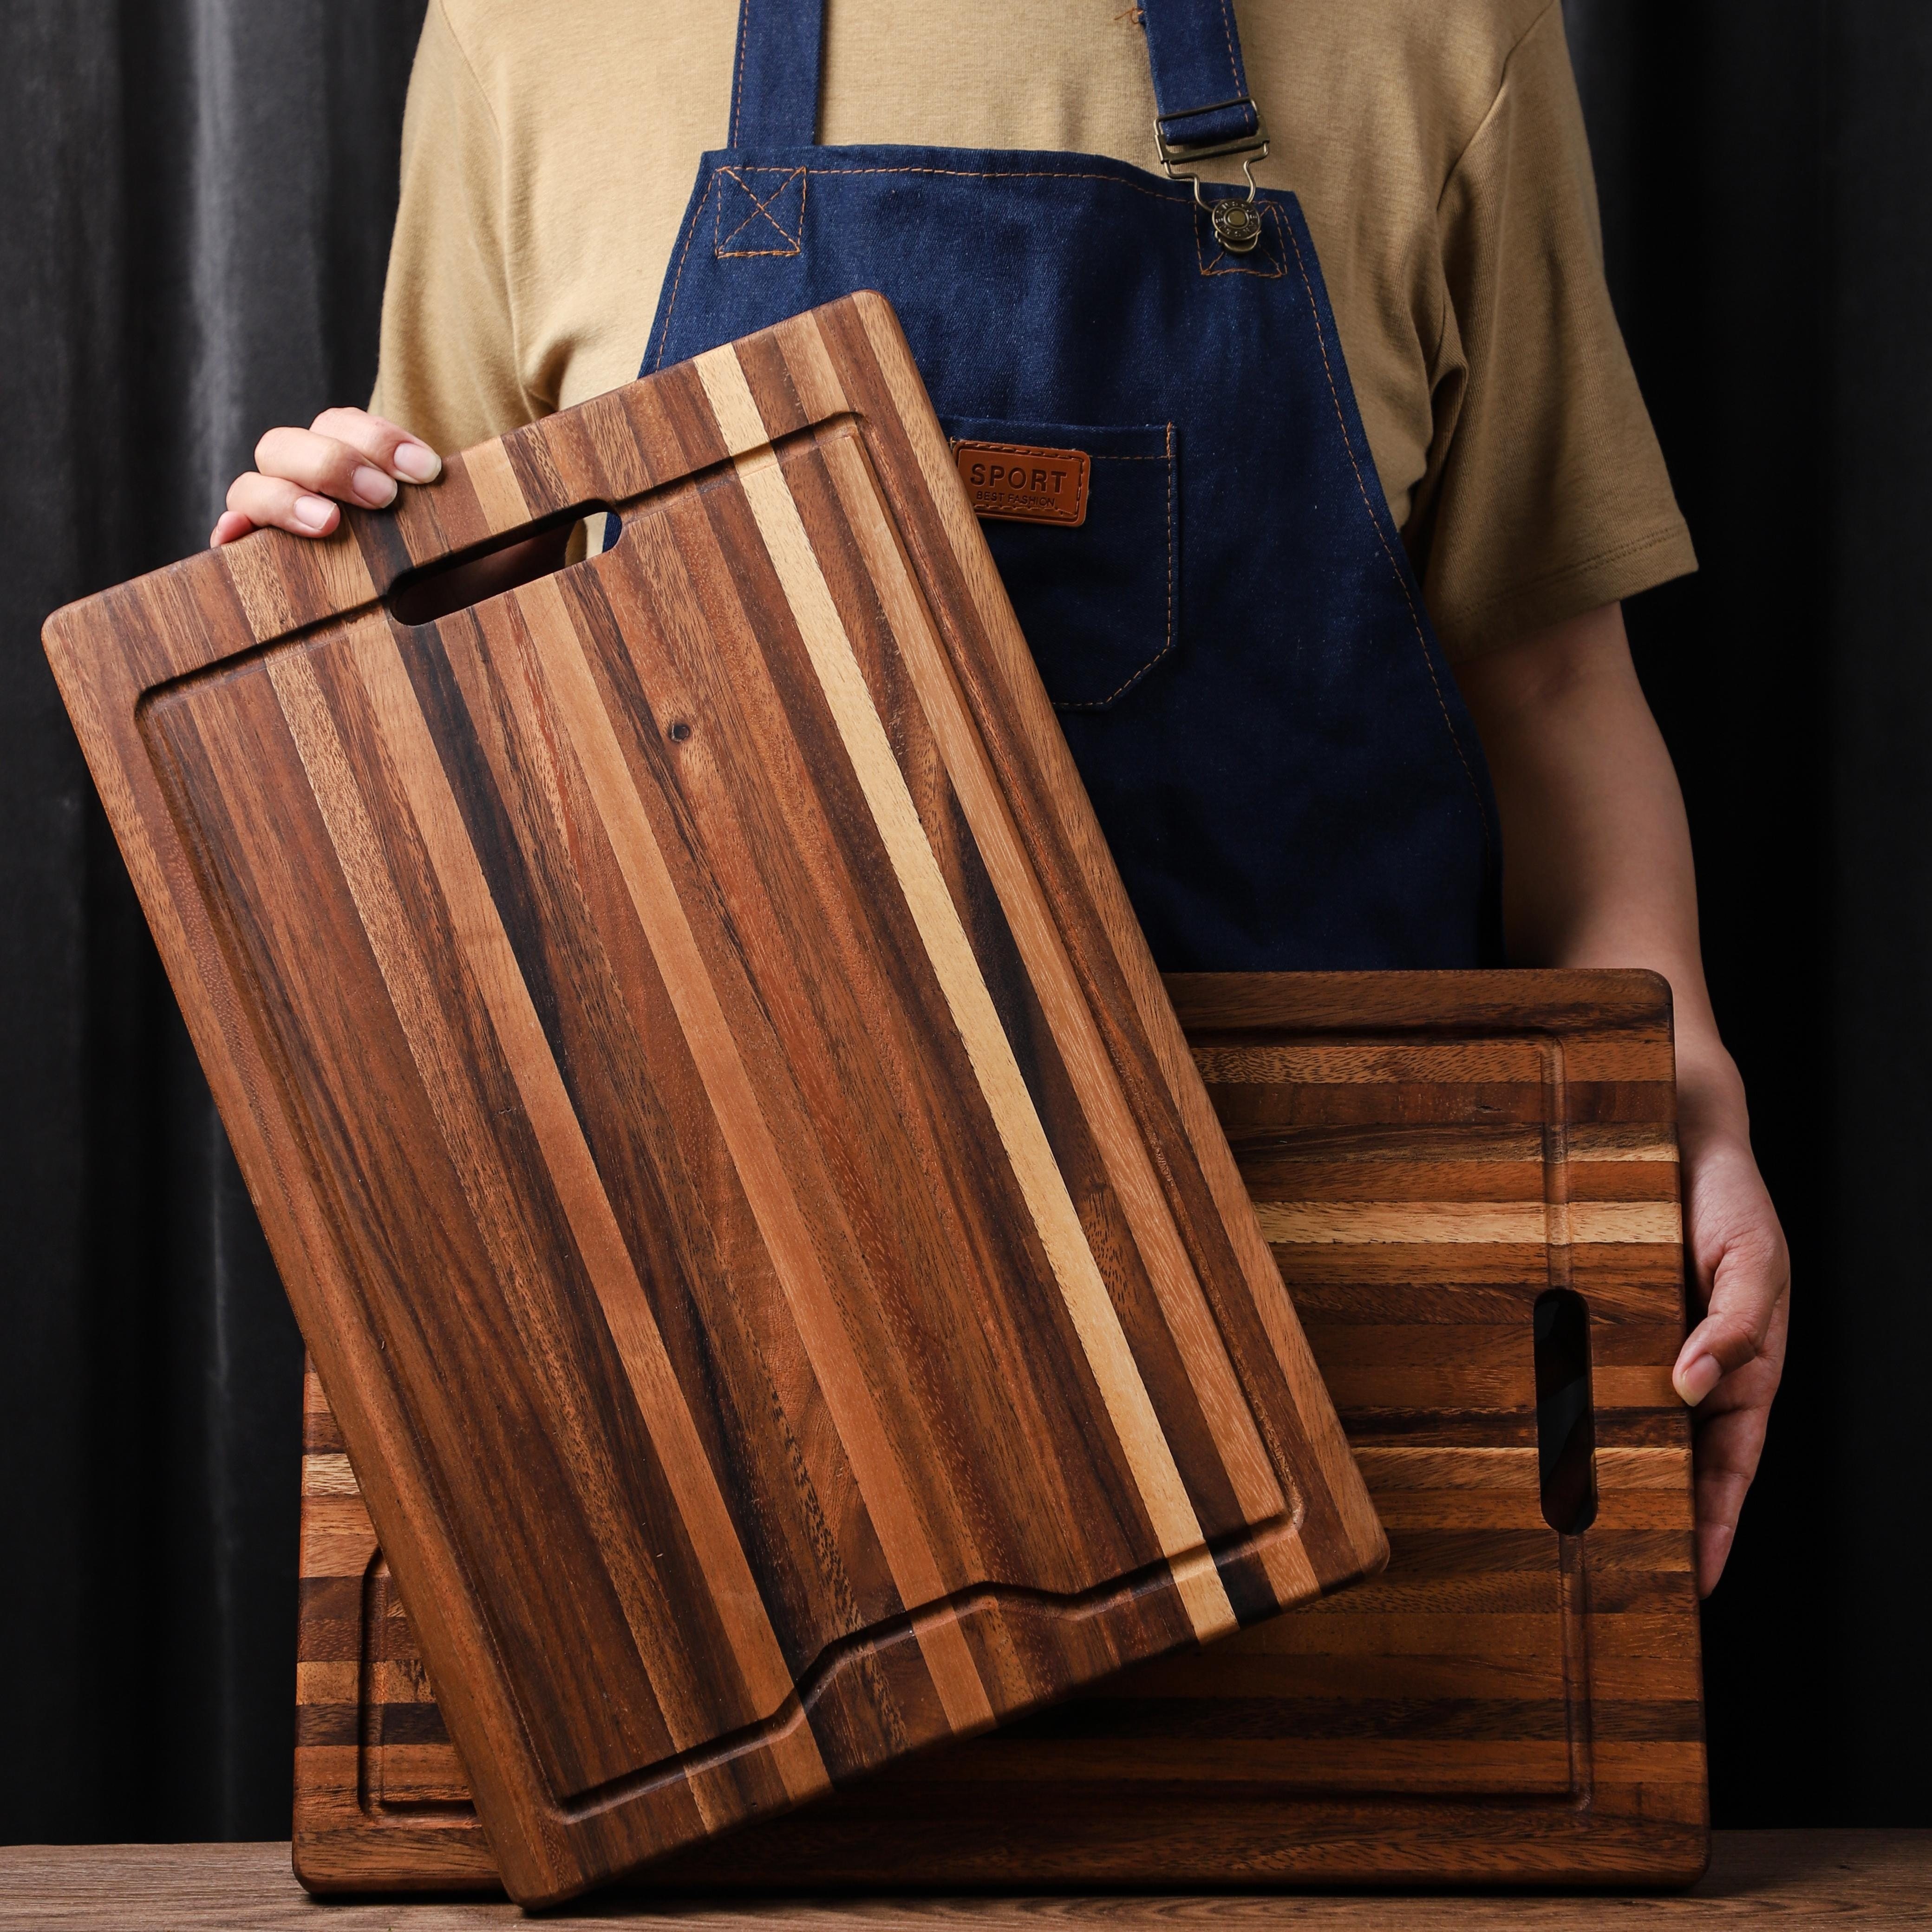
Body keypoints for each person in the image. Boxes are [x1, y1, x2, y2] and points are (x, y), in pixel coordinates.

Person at [215, 0, 1786, 1596]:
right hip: (723, 1367)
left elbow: (1551, 691)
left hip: (1339, 1336)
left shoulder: (1443, 29)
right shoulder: (531, 33)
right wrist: (319, 578)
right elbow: (451, 708)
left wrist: (1690, 1103)